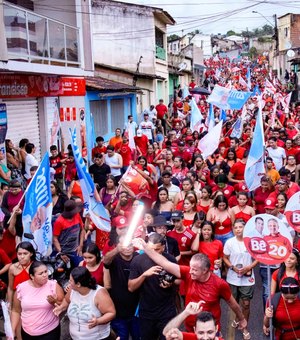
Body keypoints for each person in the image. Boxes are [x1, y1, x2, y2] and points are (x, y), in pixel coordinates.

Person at [133, 241, 247, 334]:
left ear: (205, 270)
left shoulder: (220, 284)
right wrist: (145, 247)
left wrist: (241, 319)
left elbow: (233, 304)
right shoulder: (188, 273)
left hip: (210, 331)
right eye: (190, 268)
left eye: (195, 270)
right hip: (191, 329)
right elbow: (164, 263)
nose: (190, 272)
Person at [128, 233, 178, 340]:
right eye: (150, 249)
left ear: (163, 248)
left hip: (166, 311)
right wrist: (144, 275)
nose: (153, 253)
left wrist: (171, 283)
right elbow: (131, 287)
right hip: (147, 313)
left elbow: (180, 281)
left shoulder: (170, 260)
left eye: (157, 249)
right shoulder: (138, 261)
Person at [53, 267, 116, 340]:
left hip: (97, 338)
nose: (69, 283)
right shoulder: (72, 290)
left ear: (78, 284)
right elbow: (67, 300)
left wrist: (98, 321)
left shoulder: (99, 294)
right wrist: (61, 307)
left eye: (70, 281)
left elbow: (111, 313)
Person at [11, 261, 64, 340]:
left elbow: (64, 305)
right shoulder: (21, 288)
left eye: (46, 271)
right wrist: (12, 329)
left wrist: (54, 302)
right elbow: (16, 311)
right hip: (27, 332)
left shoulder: (53, 285)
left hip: (50, 332)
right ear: (32, 276)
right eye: (41, 273)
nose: (45, 275)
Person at [223, 219, 257, 340]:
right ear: (233, 229)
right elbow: (225, 258)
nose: (238, 229)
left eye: (240, 227)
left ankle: (244, 327)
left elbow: (258, 257)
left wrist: (249, 267)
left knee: (246, 304)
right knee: (234, 303)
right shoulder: (229, 242)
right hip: (233, 277)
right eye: (235, 227)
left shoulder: (251, 242)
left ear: (245, 228)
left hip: (247, 277)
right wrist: (232, 267)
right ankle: (238, 318)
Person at [103, 237, 140, 340]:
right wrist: (116, 250)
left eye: (130, 245)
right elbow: (105, 260)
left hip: (136, 311)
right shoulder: (114, 259)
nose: (127, 248)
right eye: (124, 246)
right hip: (118, 312)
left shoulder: (138, 258)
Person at [53, 200, 85, 267]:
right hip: (63, 250)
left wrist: (81, 245)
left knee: (81, 266)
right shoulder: (59, 221)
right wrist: (61, 253)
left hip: (75, 250)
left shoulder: (77, 215)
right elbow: (55, 239)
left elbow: (82, 230)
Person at [7, 242, 36, 308]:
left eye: (25, 253)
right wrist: (9, 305)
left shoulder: (36, 267)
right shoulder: (13, 268)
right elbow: (10, 288)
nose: (22, 257)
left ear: (31, 254)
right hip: (17, 302)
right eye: (19, 254)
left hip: (32, 302)